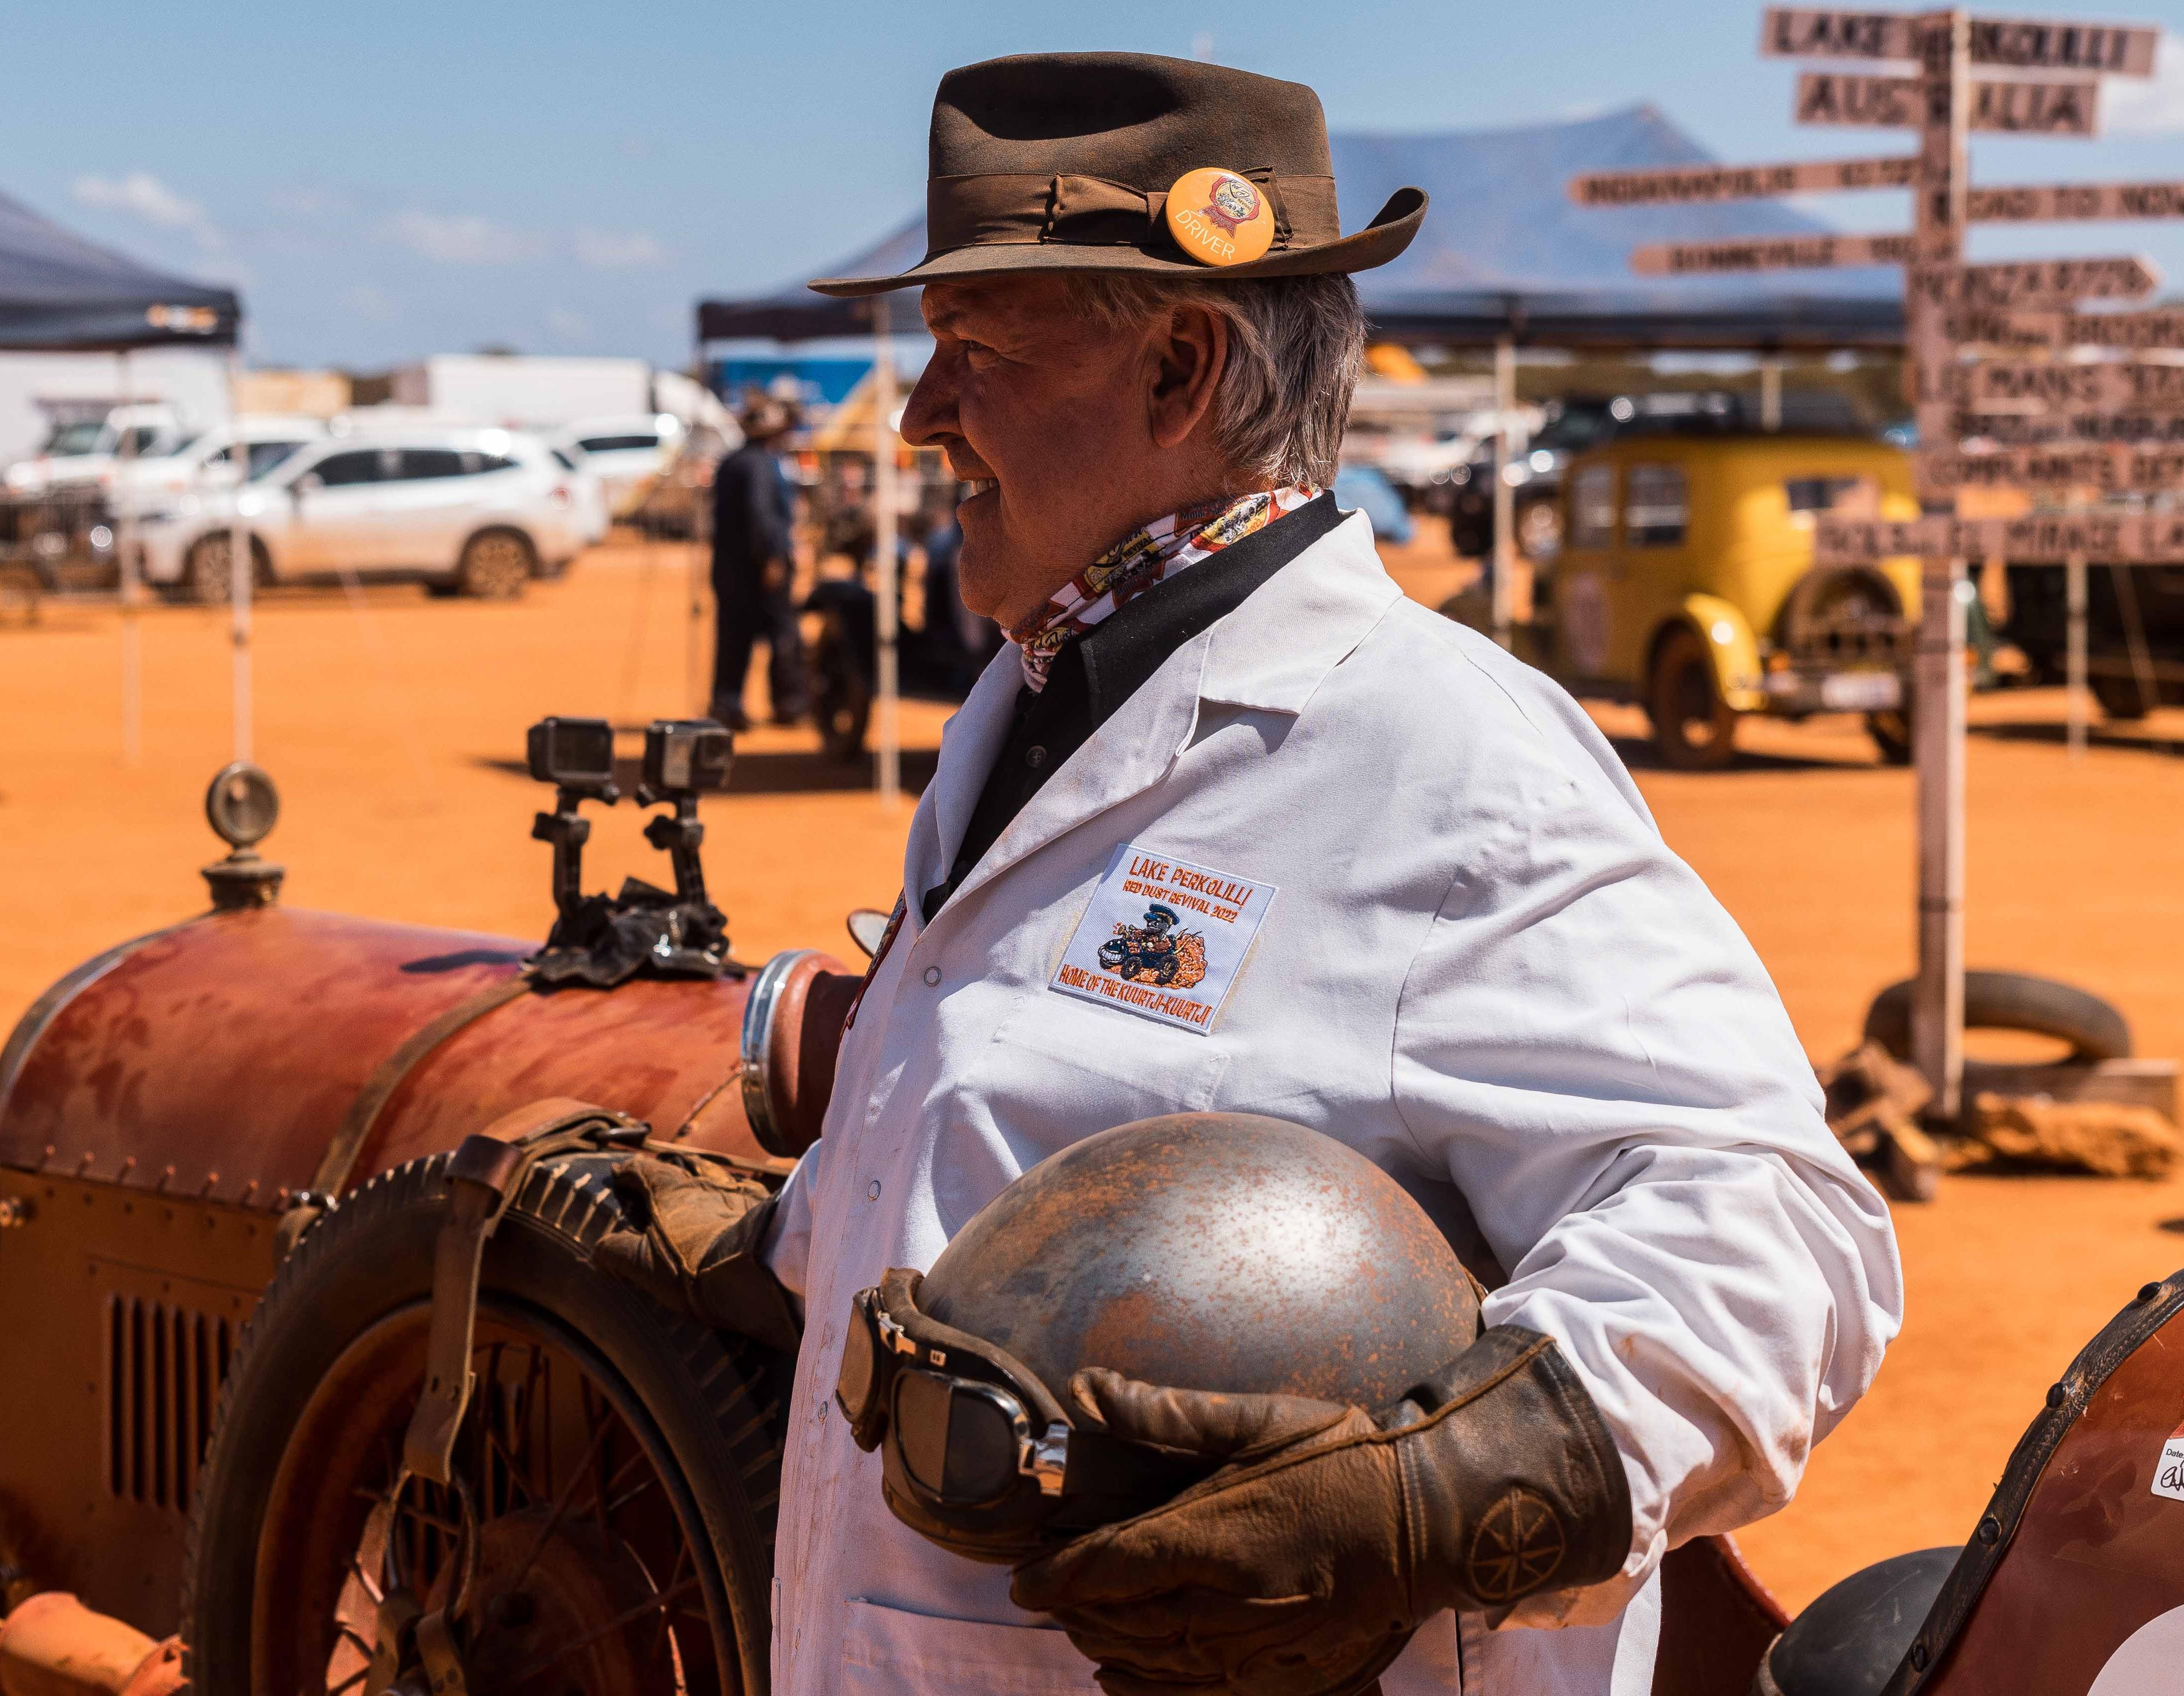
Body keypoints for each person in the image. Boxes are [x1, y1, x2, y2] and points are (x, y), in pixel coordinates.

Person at [599, 50, 1902, 1696]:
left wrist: (1454, 1487)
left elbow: (1781, 1232)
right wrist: (787, 1240)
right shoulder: (1033, 702)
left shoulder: (1444, 758)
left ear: (1182, 367)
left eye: (974, 350)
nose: (924, 413)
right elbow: (1058, 1154)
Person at [707, 393, 806, 729]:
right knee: (782, 634)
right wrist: (774, 558)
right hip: (757, 570)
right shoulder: (760, 464)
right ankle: (787, 703)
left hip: (730, 569)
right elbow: (761, 514)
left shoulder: (732, 461)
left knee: (733, 638)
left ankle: (727, 703)